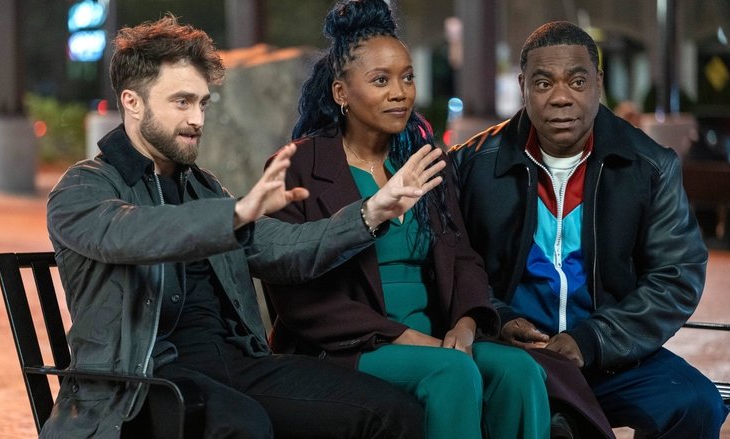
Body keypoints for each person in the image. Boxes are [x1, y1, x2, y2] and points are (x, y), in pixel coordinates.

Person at [43, 14, 448, 439]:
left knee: (392, 412)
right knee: (244, 424)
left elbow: (282, 247)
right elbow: (132, 233)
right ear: (132, 102)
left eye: (203, 103)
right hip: (141, 385)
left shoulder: (202, 188)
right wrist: (234, 214)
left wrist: (370, 212)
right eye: (182, 102)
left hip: (237, 366)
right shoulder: (83, 188)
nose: (197, 119)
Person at [262, 1, 550, 438]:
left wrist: (466, 323)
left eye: (408, 77)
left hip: (436, 335)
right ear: (341, 92)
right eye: (381, 80)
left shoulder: (425, 160)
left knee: (518, 371)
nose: (400, 92)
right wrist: (406, 338)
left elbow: (462, 256)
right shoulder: (297, 167)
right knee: (452, 372)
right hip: (349, 347)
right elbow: (295, 298)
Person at [450, 20, 729, 438]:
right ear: (523, 86)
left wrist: (592, 339)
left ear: (598, 83)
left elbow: (677, 275)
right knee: (545, 420)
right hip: (516, 354)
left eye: (577, 81)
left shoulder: (649, 165)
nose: (562, 97)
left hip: (611, 355)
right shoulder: (472, 165)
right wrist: (499, 318)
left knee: (696, 403)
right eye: (543, 83)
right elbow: (452, 262)